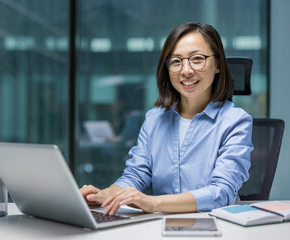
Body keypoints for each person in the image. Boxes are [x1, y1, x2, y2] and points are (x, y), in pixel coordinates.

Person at [80, 22, 253, 215]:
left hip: (214, 225)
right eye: (176, 61)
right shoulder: (154, 119)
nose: (186, 70)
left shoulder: (236, 121)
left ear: (218, 65)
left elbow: (221, 193)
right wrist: (105, 195)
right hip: (159, 226)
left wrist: (152, 203)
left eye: (197, 59)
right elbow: (136, 175)